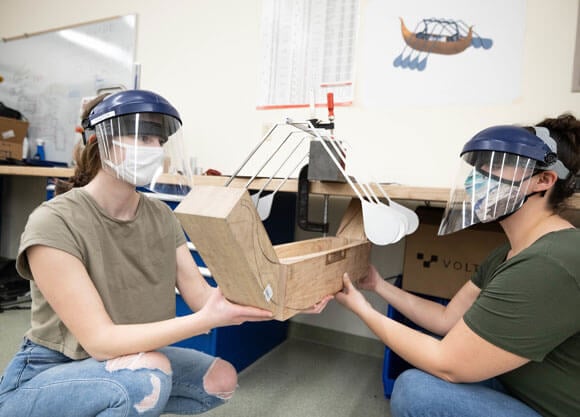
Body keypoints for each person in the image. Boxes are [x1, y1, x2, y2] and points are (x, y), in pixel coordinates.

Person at [0, 89, 330, 417]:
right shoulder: (55, 220)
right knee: (147, 379)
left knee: (220, 379)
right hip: (49, 370)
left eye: (159, 140)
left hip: (127, 357)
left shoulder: (160, 215)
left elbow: (203, 298)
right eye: (142, 137)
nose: (154, 149)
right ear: (99, 142)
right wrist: (204, 320)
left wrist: (288, 300)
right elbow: (99, 341)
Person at [335, 113, 580, 417]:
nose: (477, 178)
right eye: (479, 167)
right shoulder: (511, 252)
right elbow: (446, 318)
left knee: (417, 391)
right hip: (521, 388)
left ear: (543, 180)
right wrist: (378, 286)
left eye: (497, 165)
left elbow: (446, 363)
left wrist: (362, 309)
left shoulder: (549, 263)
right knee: (444, 340)